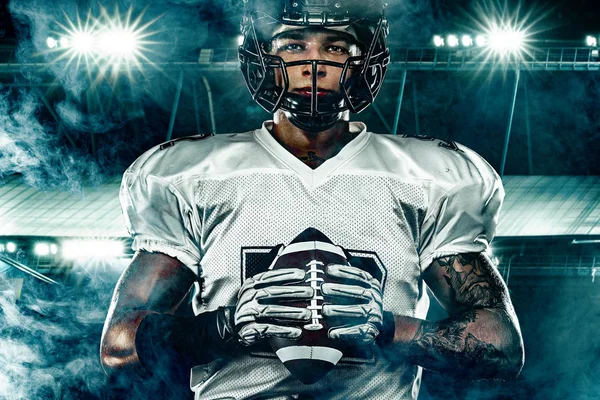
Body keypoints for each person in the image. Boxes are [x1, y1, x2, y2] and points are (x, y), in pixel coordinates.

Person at [100, 0, 525, 399]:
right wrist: (227, 326)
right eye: (294, 44)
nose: (314, 64)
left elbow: (501, 347)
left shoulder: (430, 176)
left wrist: (384, 329)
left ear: (363, 61)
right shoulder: (189, 174)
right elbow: (119, 348)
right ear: (262, 54)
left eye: (336, 46)